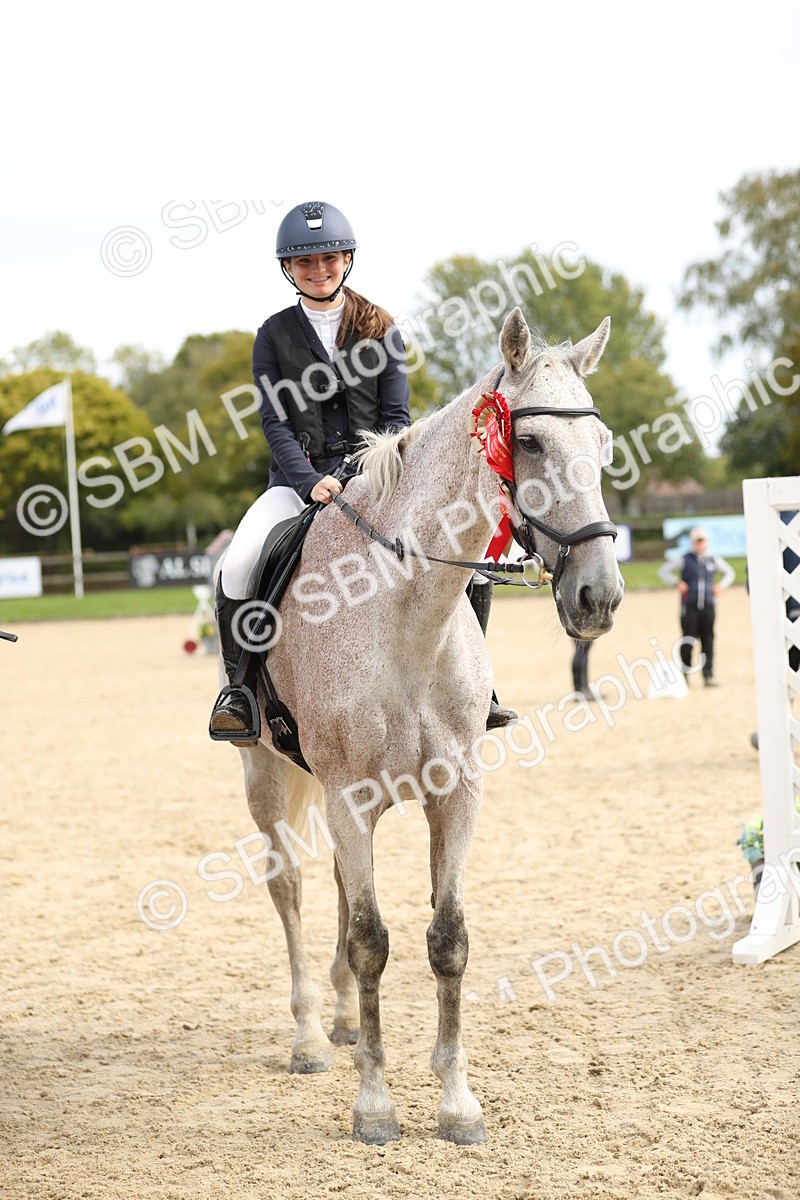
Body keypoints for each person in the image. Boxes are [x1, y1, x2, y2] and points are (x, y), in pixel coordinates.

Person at [209, 200, 515, 743]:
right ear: (288, 269)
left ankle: (477, 690)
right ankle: (239, 690)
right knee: (238, 564)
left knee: (463, 555)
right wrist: (308, 481)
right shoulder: (272, 335)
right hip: (297, 485)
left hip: (379, 483)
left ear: (346, 258)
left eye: (328, 257)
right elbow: (273, 422)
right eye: (304, 262)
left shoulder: (380, 327)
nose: (317, 269)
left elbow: (397, 419)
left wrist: (358, 475)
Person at [658, 526, 734, 686]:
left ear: (706, 542)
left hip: (708, 606)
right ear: (693, 542)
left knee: (708, 641)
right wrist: (676, 582)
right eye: (697, 541)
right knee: (687, 641)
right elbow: (664, 571)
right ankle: (684, 675)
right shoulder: (685, 559)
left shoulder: (713, 559)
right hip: (690, 607)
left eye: (702, 540)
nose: (700, 544)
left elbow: (729, 573)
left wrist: (721, 586)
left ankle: (708, 675)